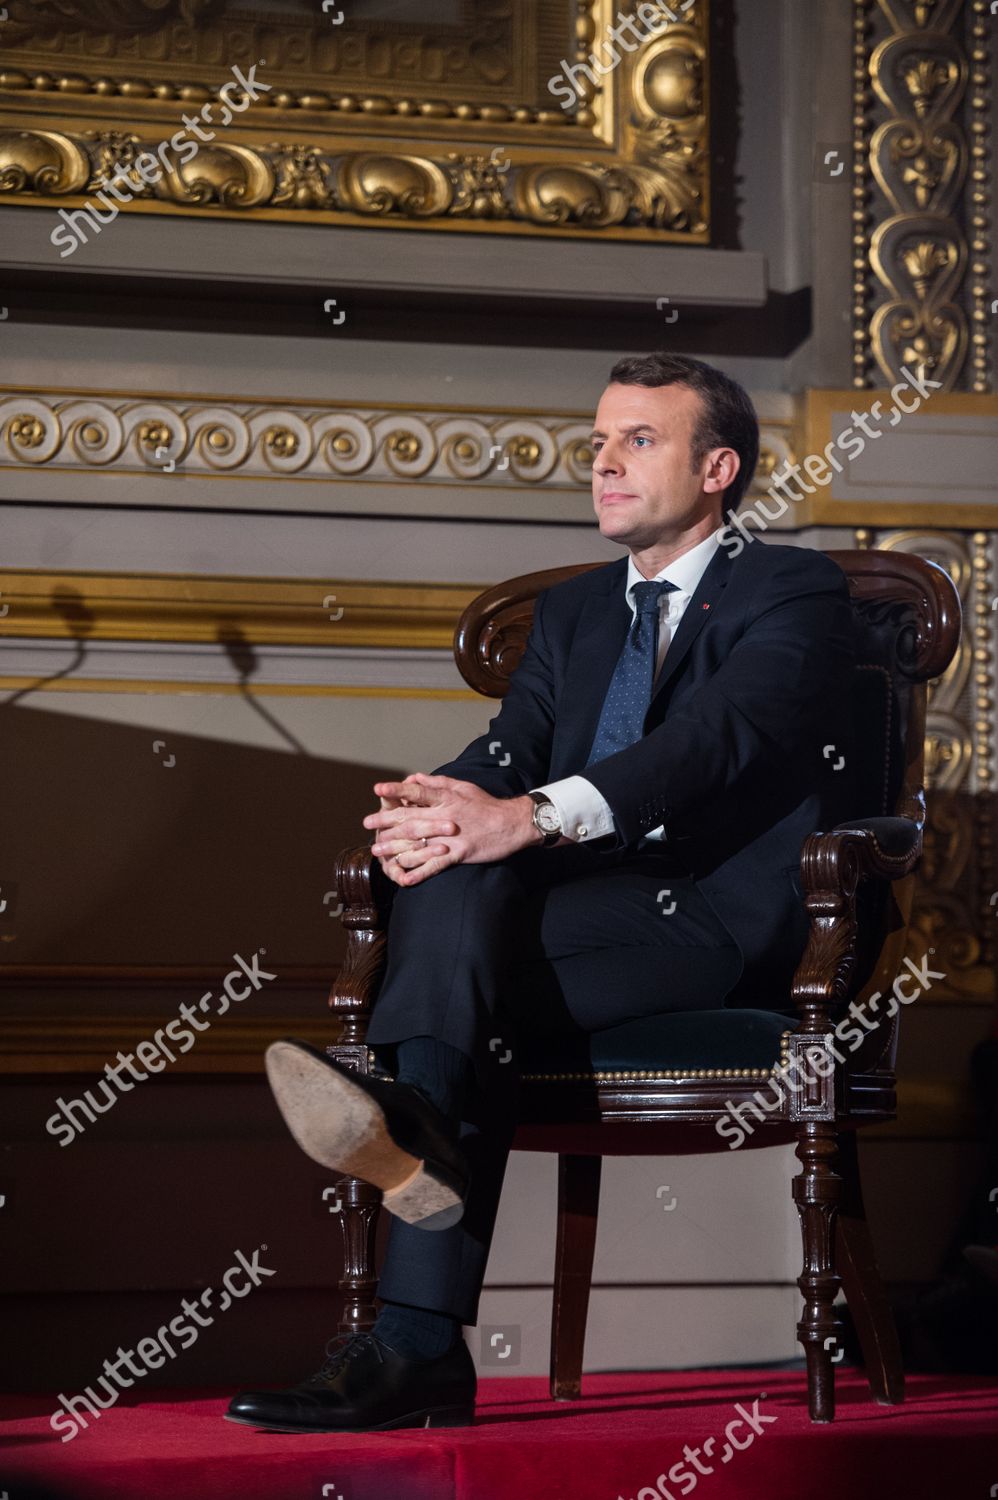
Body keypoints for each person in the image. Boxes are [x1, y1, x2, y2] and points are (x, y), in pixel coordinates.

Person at [226, 352, 857, 1434]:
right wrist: (448, 800)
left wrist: (520, 818)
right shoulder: (571, 615)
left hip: (708, 919)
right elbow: (509, 746)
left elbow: (714, 743)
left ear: (717, 468)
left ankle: (412, 1320)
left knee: (453, 980)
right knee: (451, 880)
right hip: (578, 909)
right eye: (597, 443)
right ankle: (418, 1156)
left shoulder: (788, 589)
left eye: (636, 441)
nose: (602, 463)